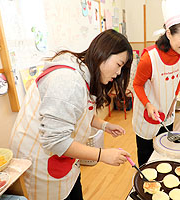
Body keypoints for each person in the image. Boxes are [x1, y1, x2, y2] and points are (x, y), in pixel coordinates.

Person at [9, 29, 133, 200]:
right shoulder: (69, 80)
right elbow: (55, 141)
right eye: (119, 64)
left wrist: (105, 125)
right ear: (104, 52)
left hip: (65, 159)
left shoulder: (83, 74)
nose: (119, 73)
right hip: (41, 160)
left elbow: (79, 113)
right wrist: (102, 155)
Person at [132, 0, 180, 166]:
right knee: (146, 154)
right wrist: (148, 104)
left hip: (167, 110)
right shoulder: (150, 58)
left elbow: (179, 78)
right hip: (147, 110)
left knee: (165, 148)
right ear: (169, 34)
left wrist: (173, 101)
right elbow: (137, 85)